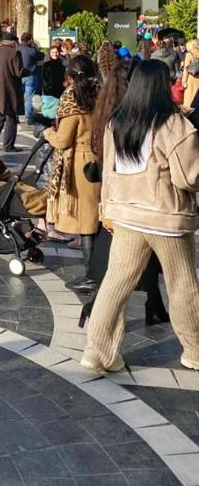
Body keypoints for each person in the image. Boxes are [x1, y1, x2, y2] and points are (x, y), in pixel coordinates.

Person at [82, 60, 199, 374]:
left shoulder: (117, 121)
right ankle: (195, 351)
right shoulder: (173, 124)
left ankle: (98, 352)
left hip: (125, 217)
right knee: (183, 284)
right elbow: (189, 176)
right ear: (161, 84)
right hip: (166, 218)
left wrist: (105, 208)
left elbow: (108, 172)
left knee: (115, 284)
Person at [43, 55, 100, 288]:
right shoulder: (100, 95)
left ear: (69, 76)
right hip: (98, 158)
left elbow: (63, 140)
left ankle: (92, 275)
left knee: (86, 223)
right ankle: (98, 270)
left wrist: (48, 134)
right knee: (96, 218)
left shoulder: (72, 102)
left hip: (79, 164)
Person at [0, 33, 24, 152]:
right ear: (13, 42)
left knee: (1, 114)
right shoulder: (15, 53)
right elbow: (19, 72)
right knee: (11, 116)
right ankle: (8, 145)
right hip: (10, 89)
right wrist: (32, 70)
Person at [18, 32, 44, 123]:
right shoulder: (32, 50)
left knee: (18, 96)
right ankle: (28, 117)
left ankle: (16, 116)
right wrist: (34, 47)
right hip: (30, 75)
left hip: (18, 75)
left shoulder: (17, 48)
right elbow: (41, 56)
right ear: (30, 40)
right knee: (29, 97)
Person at [41, 44, 65, 120]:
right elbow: (44, 79)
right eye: (52, 52)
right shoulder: (46, 65)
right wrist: (46, 90)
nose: (55, 54)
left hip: (60, 90)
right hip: (49, 91)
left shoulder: (62, 64)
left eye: (56, 52)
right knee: (49, 112)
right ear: (49, 53)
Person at [181, 39, 199, 112]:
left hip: (191, 80)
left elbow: (186, 70)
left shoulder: (189, 55)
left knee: (189, 102)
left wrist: (184, 81)